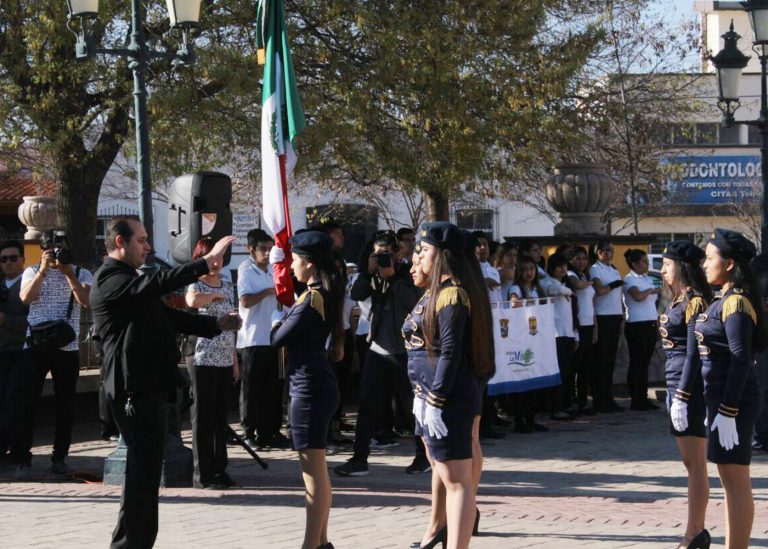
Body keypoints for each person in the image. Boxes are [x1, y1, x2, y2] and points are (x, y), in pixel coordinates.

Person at [90, 215, 240, 549]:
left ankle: (129, 543)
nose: (148, 246)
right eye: (142, 240)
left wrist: (217, 324)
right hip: (132, 388)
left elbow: (166, 316)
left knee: (142, 473)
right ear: (120, 242)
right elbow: (154, 284)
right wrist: (202, 264)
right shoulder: (111, 279)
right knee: (142, 473)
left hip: (147, 385)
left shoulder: (130, 280)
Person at [671, 229, 763, 549]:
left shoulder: (735, 302)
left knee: (736, 481)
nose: (705, 263)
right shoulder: (723, 298)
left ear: (730, 263)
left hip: (732, 401)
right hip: (722, 400)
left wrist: (728, 409)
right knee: (729, 480)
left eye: (711, 258)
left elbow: (740, 359)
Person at [405, 222, 491, 549]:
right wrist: (421, 396)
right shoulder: (434, 293)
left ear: (442, 255)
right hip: (426, 394)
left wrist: (436, 399)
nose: (419, 256)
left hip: (448, 398)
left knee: (458, 481)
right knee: (446, 472)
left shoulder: (453, 294)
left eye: (425, 250)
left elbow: (451, 352)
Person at [269, 231, 343, 549]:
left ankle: (310, 543)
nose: (292, 266)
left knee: (312, 474)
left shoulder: (312, 299)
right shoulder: (317, 295)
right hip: (315, 385)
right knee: (317, 471)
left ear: (309, 264)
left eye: (296, 260)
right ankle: (320, 541)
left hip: (309, 389)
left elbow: (276, 338)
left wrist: (278, 324)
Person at [335, 230, 423, 476]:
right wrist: (368, 271)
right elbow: (356, 295)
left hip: (404, 351)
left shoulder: (408, 273)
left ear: (396, 253)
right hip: (377, 349)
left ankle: (423, 456)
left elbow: (414, 301)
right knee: (367, 404)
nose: (383, 258)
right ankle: (359, 458)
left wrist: (393, 278)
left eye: (387, 253)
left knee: (412, 407)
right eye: (378, 254)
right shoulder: (371, 276)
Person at [13, 230, 92, 478]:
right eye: (52, 250)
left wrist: (68, 273)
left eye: (62, 248)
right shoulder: (32, 271)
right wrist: (43, 269)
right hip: (35, 346)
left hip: (65, 347)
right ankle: (22, 459)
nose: (58, 254)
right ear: (44, 250)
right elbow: (25, 298)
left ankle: (60, 458)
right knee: (26, 404)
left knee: (65, 405)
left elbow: (87, 301)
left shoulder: (80, 272)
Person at [659, 240, 712, 549]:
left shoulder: (695, 301)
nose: (663, 271)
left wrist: (681, 395)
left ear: (681, 267)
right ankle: (695, 531)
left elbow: (694, 354)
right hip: (674, 382)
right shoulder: (677, 298)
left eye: (667, 265)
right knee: (689, 462)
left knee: (695, 464)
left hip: (687, 387)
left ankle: (694, 533)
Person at [185, 237, 240, 489]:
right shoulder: (194, 283)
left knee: (220, 415)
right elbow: (192, 301)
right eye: (211, 258)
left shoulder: (228, 285)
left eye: (219, 258)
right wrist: (212, 296)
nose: (216, 263)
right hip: (202, 356)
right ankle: (202, 473)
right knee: (203, 415)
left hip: (224, 356)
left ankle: (220, 468)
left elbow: (233, 326)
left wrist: (234, 360)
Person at [236, 229, 288, 450]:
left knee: (273, 388)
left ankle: (270, 432)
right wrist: (268, 291)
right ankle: (248, 432)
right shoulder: (246, 269)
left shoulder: (272, 271)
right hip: (253, 339)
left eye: (270, 249)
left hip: (272, 337)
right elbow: (245, 300)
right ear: (251, 249)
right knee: (251, 389)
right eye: (263, 249)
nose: (267, 254)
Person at [508, 255, 548, 433]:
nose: (528, 273)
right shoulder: (516, 288)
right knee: (521, 378)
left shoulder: (537, 288)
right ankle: (519, 419)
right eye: (524, 270)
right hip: (520, 338)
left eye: (531, 269)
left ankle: (531, 417)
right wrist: (534, 303)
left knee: (534, 378)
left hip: (535, 337)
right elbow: (514, 303)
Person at [622, 248, 661, 411]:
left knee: (645, 363)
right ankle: (636, 399)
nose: (647, 264)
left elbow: (653, 303)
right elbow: (637, 296)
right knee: (637, 362)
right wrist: (651, 290)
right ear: (635, 264)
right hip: (637, 324)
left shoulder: (647, 279)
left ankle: (643, 397)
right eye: (644, 261)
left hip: (650, 323)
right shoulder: (629, 279)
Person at [589, 239, 625, 413]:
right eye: (608, 251)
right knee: (601, 361)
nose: (611, 253)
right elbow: (599, 290)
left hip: (615, 316)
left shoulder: (614, 269)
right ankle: (599, 399)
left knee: (610, 360)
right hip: (602, 317)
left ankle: (608, 398)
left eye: (612, 250)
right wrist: (612, 285)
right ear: (600, 252)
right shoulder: (595, 269)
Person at [0, 240, 28, 462]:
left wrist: (6, 319)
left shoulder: (28, 284)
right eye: (3, 259)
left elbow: (32, 321)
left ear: (22, 260)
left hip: (19, 353)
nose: (8, 263)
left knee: (14, 404)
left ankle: (17, 451)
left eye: (12, 258)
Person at [541, 253, 577, 420]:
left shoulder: (563, 282)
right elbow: (556, 290)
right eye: (559, 266)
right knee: (558, 374)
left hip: (567, 334)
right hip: (556, 335)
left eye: (565, 266)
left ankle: (563, 405)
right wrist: (570, 291)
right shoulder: (547, 282)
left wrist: (575, 334)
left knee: (566, 374)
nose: (563, 269)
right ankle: (555, 407)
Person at [567, 247, 597, 415]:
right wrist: (592, 283)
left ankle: (583, 401)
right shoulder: (571, 276)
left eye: (584, 259)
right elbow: (578, 286)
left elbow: (592, 305)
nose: (582, 262)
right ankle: (571, 400)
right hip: (577, 326)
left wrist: (595, 328)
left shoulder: (586, 276)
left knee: (586, 366)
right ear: (571, 260)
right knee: (575, 366)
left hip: (588, 325)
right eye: (578, 259)